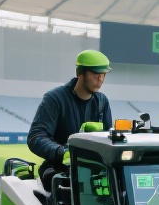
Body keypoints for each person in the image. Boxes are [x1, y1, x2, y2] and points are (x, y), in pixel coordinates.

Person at [28, 50, 113, 190]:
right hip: (60, 169)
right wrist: (62, 152)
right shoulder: (54, 98)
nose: (101, 79)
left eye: (103, 74)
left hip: (94, 171)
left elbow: (108, 138)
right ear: (80, 73)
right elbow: (36, 137)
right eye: (95, 74)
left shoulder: (102, 102)